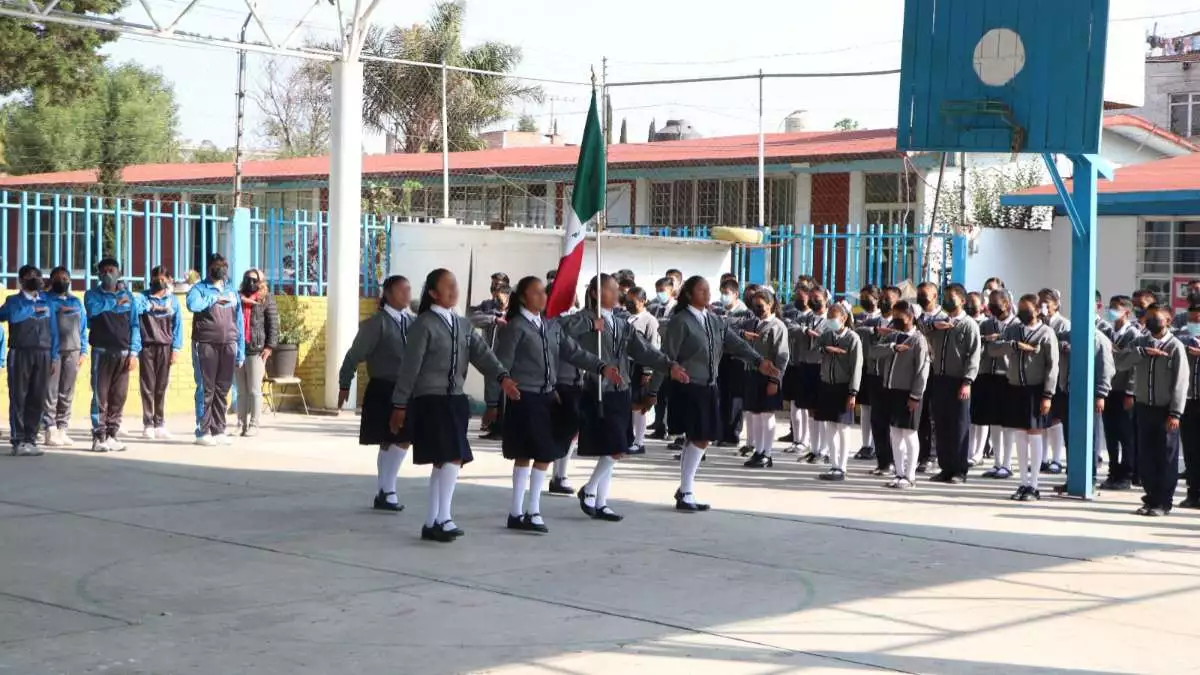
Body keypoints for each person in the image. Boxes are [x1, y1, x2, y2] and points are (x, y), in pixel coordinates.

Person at [389, 268, 518, 543]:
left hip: (455, 400)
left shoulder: (462, 325)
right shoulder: (424, 324)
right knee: (453, 456)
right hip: (431, 400)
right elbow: (409, 368)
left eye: (454, 284)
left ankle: (432, 521)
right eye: (446, 286)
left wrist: (502, 377)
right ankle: (444, 518)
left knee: (443, 460)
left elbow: (482, 355)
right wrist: (399, 404)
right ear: (433, 293)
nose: (453, 290)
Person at [492, 275, 618, 533]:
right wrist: (495, 400)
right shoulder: (516, 327)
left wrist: (601, 366)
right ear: (524, 297)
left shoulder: (550, 327)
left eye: (543, 292)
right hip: (523, 396)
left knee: (542, 453)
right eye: (536, 292)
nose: (542, 296)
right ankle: (521, 511)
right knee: (527, 454)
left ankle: (530, 509)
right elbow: (500, 364)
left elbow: (574, 352)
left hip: (547, 396)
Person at [574, 274, 687, 521]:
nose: (617, 295)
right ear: (594, 293)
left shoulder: (622, 323)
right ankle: (591, 490)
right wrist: (589, 326)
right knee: (614, 447)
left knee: (616, 448)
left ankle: (599, 500)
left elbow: (643, 350)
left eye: (617, 290)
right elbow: (561, 334)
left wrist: (668, 366)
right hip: (598, 388)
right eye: (610, 290)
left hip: (621, 388)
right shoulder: (584, 318)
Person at [663, 276, 778, 511]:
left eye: (708, 290)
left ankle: (685, 489)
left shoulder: (714, 320)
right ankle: (686, 491)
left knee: (699, 437)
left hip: (709, 385)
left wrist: (759, 361)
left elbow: (736, 344)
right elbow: (666, 356)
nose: (707, 294)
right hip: (688, 385)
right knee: (700, 437)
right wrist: (654, 389)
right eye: (701, 290)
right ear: (688, 294)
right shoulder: (681, 321)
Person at [337, 275, 414, 513]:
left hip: (406, 389)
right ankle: (387, 490)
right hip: (384, 387)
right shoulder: (376, 324)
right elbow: (354, 354)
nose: (406, 295)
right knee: (394, 439)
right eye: (401, 290)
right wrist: (344, 383)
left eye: (408, 290)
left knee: (398, 439)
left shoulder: (413, 323)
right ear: (388, 294)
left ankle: (384, 489)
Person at [1116, 304, 1189, 517]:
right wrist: (1139, 353)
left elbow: (1180, 383)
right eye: (1148, 318)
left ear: (1167, 320)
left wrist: (1175, 413)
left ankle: (1163, 501)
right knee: (1146, 455)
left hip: (1165, 410)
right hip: (1144, 407)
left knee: (1165, 457)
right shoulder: (1140, 342)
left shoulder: (1175, 346)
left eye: (1155, 318)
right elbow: (1120, 363)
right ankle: (1150, 498)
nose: (1150, 322)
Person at [990, 294, 1059, 502]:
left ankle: (1034, 484)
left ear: (1038, 310)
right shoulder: (1013, 330)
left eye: (1026, 308)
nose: (1021, 312)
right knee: (1020, 433)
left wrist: (1048, 394)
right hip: (1015, 387)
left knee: (1034, 432)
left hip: (1036, 389)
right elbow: (993, 349)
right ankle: (1022, 482)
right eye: (1020, 308)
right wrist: (1011, 346)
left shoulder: (1046, 333)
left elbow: (1052, 366)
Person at [186, 253, 245, 446]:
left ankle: (219, 429)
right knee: (206, 388)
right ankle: (203, 431)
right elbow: (192, 305)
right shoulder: (199, 289)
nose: (222, 269)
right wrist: (213, 299)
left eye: (225, 266)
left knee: (223, 388)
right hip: (205, 344)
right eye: (218, 266)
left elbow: (239, 321)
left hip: (228, 344)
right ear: (210, 267)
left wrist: (240, 349)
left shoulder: (232, 292)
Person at [924, 283, 981, 484]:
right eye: (945, 296)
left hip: (959, 381)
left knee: (959, 426)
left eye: (951, 297)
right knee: (941, 424)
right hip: (939, 378)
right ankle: (945, 467)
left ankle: (959, 469)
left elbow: (973, 356)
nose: (947, 300)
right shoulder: (940, 321)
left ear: (963, 301)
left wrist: (967, 381)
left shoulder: (969, 325)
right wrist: (933, 326)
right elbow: (919, 329)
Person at [0, 265, 59, 456]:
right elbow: (12, 317)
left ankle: (30, 439)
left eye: (38, 275)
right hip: (21, 353)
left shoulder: (47, 301)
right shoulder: (13, 301)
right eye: (30, 276)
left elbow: (54, 330)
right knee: (19, 396)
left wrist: (54, 355)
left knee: (38, 397)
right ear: (21, 280)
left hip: (43, 353)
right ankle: (18, 440)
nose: (35, 278)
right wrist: (32, 307)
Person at [85, 259, 143, 453]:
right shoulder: (92, 295)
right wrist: (114, 301)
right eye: (104, 271)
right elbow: (94, 310)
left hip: (124, 353)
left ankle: (112, 434)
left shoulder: (128, 297)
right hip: (102, 353)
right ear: (99, 274)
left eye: (112, 270)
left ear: (119, 273)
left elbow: (135, 324)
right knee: (100, 396)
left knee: (118, 396)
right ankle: (98, 436)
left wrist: (134, 352)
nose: (108, 273)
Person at [873, 301, 929, 489]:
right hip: (891, 390)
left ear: (911, 317)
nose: (896, 319)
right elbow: (873, 352)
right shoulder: (894, 336)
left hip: (908, 393)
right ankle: (899, 473)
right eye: (894, 315)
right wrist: (891, 347)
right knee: (895, 433)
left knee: (910, 434)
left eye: (900, 316)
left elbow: (922, 371)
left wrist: (915, 396)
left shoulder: (919, 340)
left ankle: (910, 475)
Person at [741, 287, 790, 469]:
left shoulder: (777, 326)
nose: (757, 309)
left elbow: (782, 356)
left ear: (770, 305)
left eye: (760, 305)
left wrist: (775, 380)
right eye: (754, 305)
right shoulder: (752, 324)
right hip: (752, 374)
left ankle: (767, 453)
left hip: (768, 376)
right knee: (755, 413)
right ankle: (758, 450)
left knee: (766, 414)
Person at [814, 302, 863, 481]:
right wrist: (825, 349)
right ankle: (833, 465)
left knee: (843, 428)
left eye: (834, 317)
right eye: (829, 316)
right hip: (827, 384)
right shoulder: (827, 335)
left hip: (844, 387)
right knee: (830, 427)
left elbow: (857, 366)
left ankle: (842, 467)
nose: (830, 320)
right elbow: (814, 350)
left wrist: (853, 392)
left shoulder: (852, 338)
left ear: (843, 318)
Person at [42, 266, 87, 448]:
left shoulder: (76, 302)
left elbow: (83, 327)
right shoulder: (46, 300)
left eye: (65, 278)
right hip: (53, 352)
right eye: (58, 278)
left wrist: (83, 350)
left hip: (73, 351)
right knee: (50, 391)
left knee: (67, 391)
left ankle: (62, 428)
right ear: (51, 281)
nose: (63, 281)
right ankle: (49, 428)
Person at [138, 266, 184, 439]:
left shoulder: (172, 300)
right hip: (147, 346)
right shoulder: (142, 297)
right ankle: (148, 423)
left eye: (163, 277)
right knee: (147, 386)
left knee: (161, 386)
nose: (160, 280)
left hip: (165, 346)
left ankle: (160, 423)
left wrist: (176, 349)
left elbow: (177, 326)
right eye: (156, 277)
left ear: (169, 280)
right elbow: (137, 313)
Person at [1100, 295, 1139, 490]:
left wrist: (1130, 392)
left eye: (1116, 308)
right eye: (1110, 307)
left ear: (1127, 312)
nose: (1111, 311)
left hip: (1123, 390)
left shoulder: (1133, 334)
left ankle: (1127, 473)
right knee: (1110, 433)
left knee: (1126, 434)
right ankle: (1113, 470)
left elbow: (1133, 366)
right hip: (1108, 389)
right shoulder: (1107, 331)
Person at [792, 286, 834, 464]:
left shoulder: (831, 320)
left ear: (826, 299)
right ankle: (814, 448)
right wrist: (804, 331)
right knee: (810, 408)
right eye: (812, 298)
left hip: (821, 367)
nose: (814, 301)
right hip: (806, 364)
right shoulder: (806, 317)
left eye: (818, 298)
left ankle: (824, 450)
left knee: (822, 409)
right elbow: (790, 326)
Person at [979, 290, 1018, 479]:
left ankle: (1007, 463)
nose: (992, 307)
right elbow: (978, 345)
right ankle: (997, 462)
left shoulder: (1017, 325)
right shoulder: (986, 324)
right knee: (994, 420)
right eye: (990, 303)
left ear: (1008, 304)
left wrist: (999, 345)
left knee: (1008, 422)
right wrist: (986, 340)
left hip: (1008, 376)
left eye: (996, 303)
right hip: (990, 374)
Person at [234, 269, 277, 437]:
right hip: (239, 348)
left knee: (254, 389)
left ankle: (254, 423)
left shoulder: (266, 299)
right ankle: (240, 423)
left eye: (254, 280)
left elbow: (273, 324)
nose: (250, 282)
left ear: (261, 282)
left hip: (256, 349)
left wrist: (269, 346)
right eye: (247, 279)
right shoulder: (237, 298)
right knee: (241, 390)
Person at [469, 282, 512, 440]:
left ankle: (503, 428)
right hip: (490, 356)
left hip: (508, 359)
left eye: (501, 294)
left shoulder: (513, 312)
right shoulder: (489, 309)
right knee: (492, 393)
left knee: (505, 395)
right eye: (494, 291)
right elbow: (473, 318)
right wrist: (493, 319)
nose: (498, 297)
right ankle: (494, 427)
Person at [867, 285, 902, 475]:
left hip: (894, 378)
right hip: (875, 376)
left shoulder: (900, 324)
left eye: (888, 298)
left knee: (895, 423)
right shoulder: (872, 322)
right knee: (877, 420)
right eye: (882, 297)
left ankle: (898, 462)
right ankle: (883, 462)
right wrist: (873, 331)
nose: (884, 301)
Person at [915, 282, 948, 474]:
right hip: (920, 371)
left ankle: (934, 455)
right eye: (919, 294)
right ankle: (923, 454)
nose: (921, 297)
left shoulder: (944, 318)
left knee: (936, 415)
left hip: (938, 371)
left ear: (935, 296)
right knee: (922, 415)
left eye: (924, 294)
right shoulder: (917, 317)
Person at [1038, 288, 1072, 473]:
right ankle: (1043, 458)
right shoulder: (1039, 323)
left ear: (1056, 304)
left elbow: (1065, 347)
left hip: (1059, 377)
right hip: (1042, 376)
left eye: (1046, 303)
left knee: (1056, 420)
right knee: (1043, 419)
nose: (1042, 307)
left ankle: (1057, 459)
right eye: (1040, 303)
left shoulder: (1063, 324)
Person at [854, 285, 886, 461]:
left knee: (877, 409)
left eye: (868, 297)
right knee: (865, 408)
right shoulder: (859, 316)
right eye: (862, 296)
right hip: (863, 366)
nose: (865, 300)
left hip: (878, 368)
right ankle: (865, 444)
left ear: (877, 298)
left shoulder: (883, 318)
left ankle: (876, 444)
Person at [626, 286, 659, 454]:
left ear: (643, 301)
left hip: (640, 366)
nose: (629, 304)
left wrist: (648, 372)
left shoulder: (649, 320)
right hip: (626, 365)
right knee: (629, 403)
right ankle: (629, 438)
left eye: (633, 301)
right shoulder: (627, 318)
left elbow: (653, 346)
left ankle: (639, 442)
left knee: (639, 404)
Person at [781, 285, 812, 453]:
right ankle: (797, 438)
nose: (798, 299)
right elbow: (789, 327)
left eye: (802, 296)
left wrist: (804, 330)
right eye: (796, 296)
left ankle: (805, 439)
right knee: (793, 404)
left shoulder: (813, 317)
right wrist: (804, 330)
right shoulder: (790, 314)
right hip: (791, 364)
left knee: (805, 405)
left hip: (805, 364)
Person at [1176, 305, 1200, 509]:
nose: (1195, 323)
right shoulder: (1182, 337)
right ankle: (1193, 493)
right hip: (1189, 402)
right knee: (1191, 451)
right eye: (1192, 319)